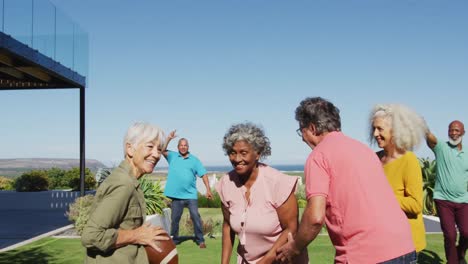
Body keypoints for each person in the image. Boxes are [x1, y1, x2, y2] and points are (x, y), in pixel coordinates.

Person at [276, 97, 416, 264]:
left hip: (364, 254)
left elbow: (315, 217)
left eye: (302, 131)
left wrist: (294, 248)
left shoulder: (319, 156)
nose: (302, 138)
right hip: (405, 247)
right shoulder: (364, 150)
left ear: (312, 128)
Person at [215, 122, 308, 264]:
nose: (237, 159)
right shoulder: (226, 184)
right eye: (232, 153)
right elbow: (228, 225)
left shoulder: (278, 183)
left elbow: (291, 228)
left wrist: (264, 261)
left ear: (257, 153)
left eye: (243, 153)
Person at [81, 122, 169, 264]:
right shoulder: (123, 184)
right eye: (150, 146)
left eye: (159, 149)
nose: (156, 155)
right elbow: (91, 235)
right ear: (130, 149)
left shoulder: (130, 181)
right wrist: (136, 235)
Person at [370, 103, 427, 253]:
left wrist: (383, 197)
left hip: (405, 245)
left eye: (380, 129)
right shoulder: (374, 159)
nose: (375, 134)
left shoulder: (408, 160)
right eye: (374, 129)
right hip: (381, 241)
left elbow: (415, 205)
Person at [426, 120, 468, 264]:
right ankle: (453, 261)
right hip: (443, 200)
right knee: (450, 235)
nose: (454, 133)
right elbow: (430, 138)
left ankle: (460, 253)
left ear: (463, 133)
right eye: (451, 130)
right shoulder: (441, 148)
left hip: (463, 201)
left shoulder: (467, 153)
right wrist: (424, 127)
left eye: (457, 130)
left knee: (467, 233)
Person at [162, 130, 213, 248]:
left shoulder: (194, 160)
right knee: (175, 219)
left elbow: (204, 174)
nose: (183, 147)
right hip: (176, 196)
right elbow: (162, 150)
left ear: (188, 147)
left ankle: (200, 240)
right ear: (178, 147)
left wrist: (208, 190)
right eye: (181, 145)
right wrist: (169, 138)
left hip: (190, 195)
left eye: (185, 145)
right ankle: (174, 240)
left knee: (195, 216)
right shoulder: (172, 156)